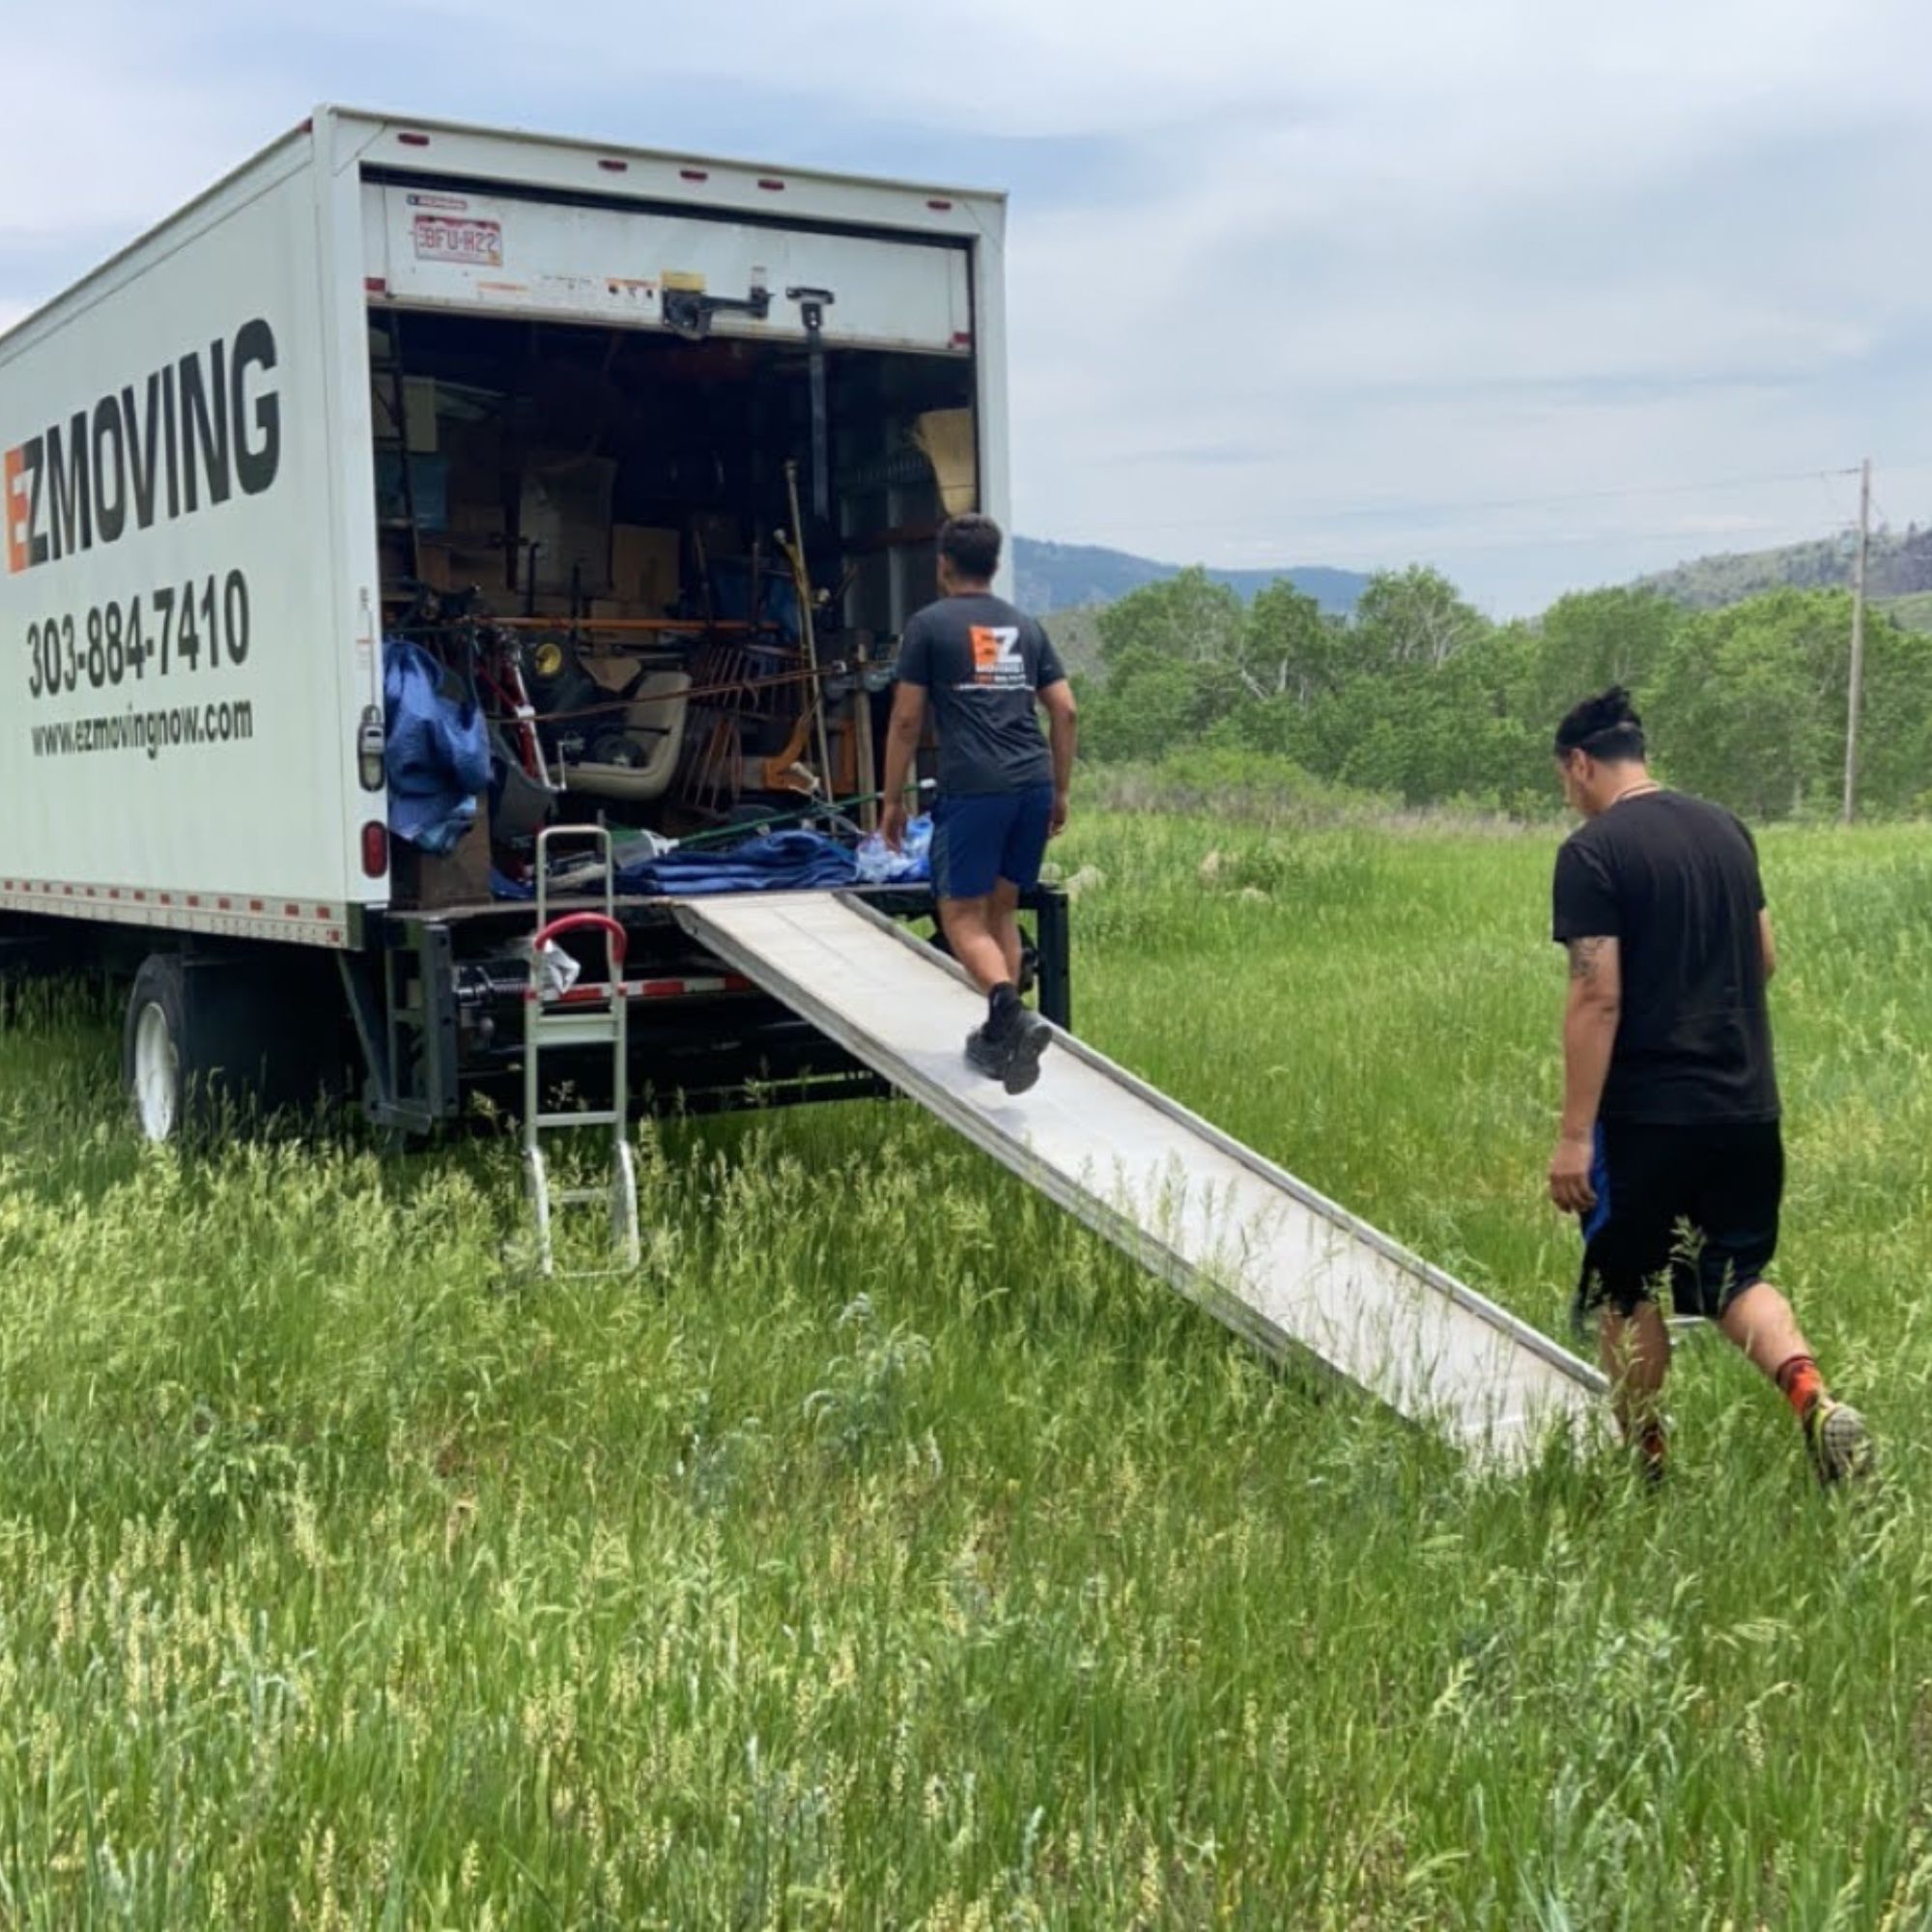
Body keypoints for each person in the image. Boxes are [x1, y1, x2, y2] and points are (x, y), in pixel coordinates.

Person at [1547, 686, 1870, 1485]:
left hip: (1648, 1116)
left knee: (1629, 1288)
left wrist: (1575, 1135)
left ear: (1581, 764)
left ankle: (1646, 1469)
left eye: (1565, 778)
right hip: (1746, 1105)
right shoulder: (1727, 831)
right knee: (1731, 1276)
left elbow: (1598, 993)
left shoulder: (1592, 852)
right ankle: (1813, 1397)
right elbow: (1763, 957)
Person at [880, 514, 1078, 1094]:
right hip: (1033, 783)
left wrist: (893, 800)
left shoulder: (928, 626)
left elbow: (907, 718)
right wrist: (1061, 789)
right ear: (993, 566)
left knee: (961, 915)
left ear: (943, 564)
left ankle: (1007, 1012)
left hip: (975, 786)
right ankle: (999, 1041)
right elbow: (1064, 711)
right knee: (1002, 908)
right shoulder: (1025, 626)